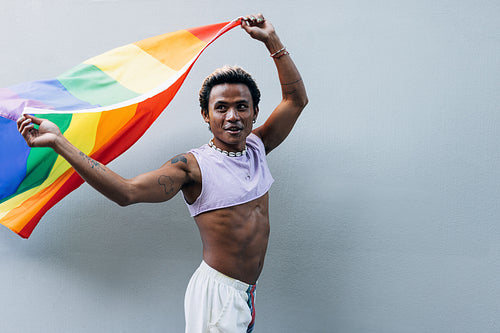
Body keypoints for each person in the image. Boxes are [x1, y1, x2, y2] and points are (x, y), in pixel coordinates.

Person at [17, 13, 307, 333]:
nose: (232, 116)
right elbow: (127, 192)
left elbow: (296, 100)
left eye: (241, 106)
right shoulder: (192, 167)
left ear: (254, 112)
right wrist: (59, 142)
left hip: (245, 294)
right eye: (221, 108)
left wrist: (271, 39)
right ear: (206, 116)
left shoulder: (257, 147)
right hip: (217, 297)